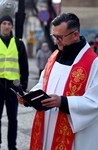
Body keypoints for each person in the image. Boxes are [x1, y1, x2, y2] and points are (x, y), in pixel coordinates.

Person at [18, 12, 98, 150]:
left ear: (75, 35)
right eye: (54, 36)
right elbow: (43, 83)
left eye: (59, 37)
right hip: (46, 125)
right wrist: (29, 97)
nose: (56, 41)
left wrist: (63, 102)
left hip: (74, 135)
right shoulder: (55, 56)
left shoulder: (93, 63)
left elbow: (94, 102)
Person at [0, 15, 29, 150]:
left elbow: (24, 66)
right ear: (0, 25)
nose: (6, 26)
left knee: (13, 119)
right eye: (4, 23)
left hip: (13, 87)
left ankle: (12, 146)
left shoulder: (18, 43)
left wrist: (24, 87)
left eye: (9, 23)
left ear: (12, 26)